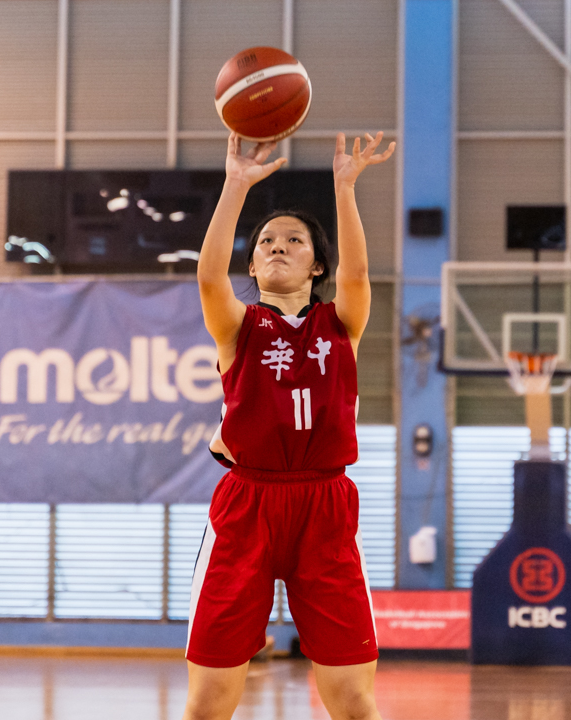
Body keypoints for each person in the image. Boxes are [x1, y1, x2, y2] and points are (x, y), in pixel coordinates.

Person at [185, 129, 394, 720]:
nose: (279, 246)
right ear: (251, 262)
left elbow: (357, 277)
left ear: (317, 262)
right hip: (247, 503)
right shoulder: (238, 325)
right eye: (267, 241)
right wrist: (234, 187)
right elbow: (207, 279)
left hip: (325, 506)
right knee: (207, 702)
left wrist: (344, 189)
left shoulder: (340, 322)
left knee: (354, 700)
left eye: (295, 240)